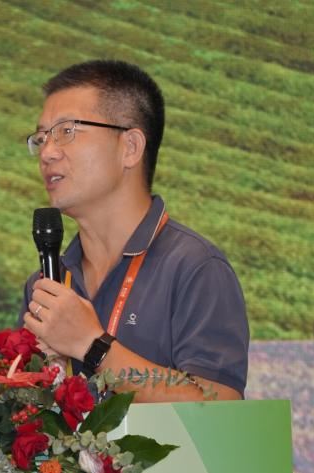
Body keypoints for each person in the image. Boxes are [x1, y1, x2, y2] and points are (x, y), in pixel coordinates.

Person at [19, 60, 249, 401]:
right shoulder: (47, 284)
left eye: (66, 132)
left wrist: (92, 346)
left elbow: (220, 409)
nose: (47, 153)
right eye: (41, 138)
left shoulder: (195, 267)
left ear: (130, 147)